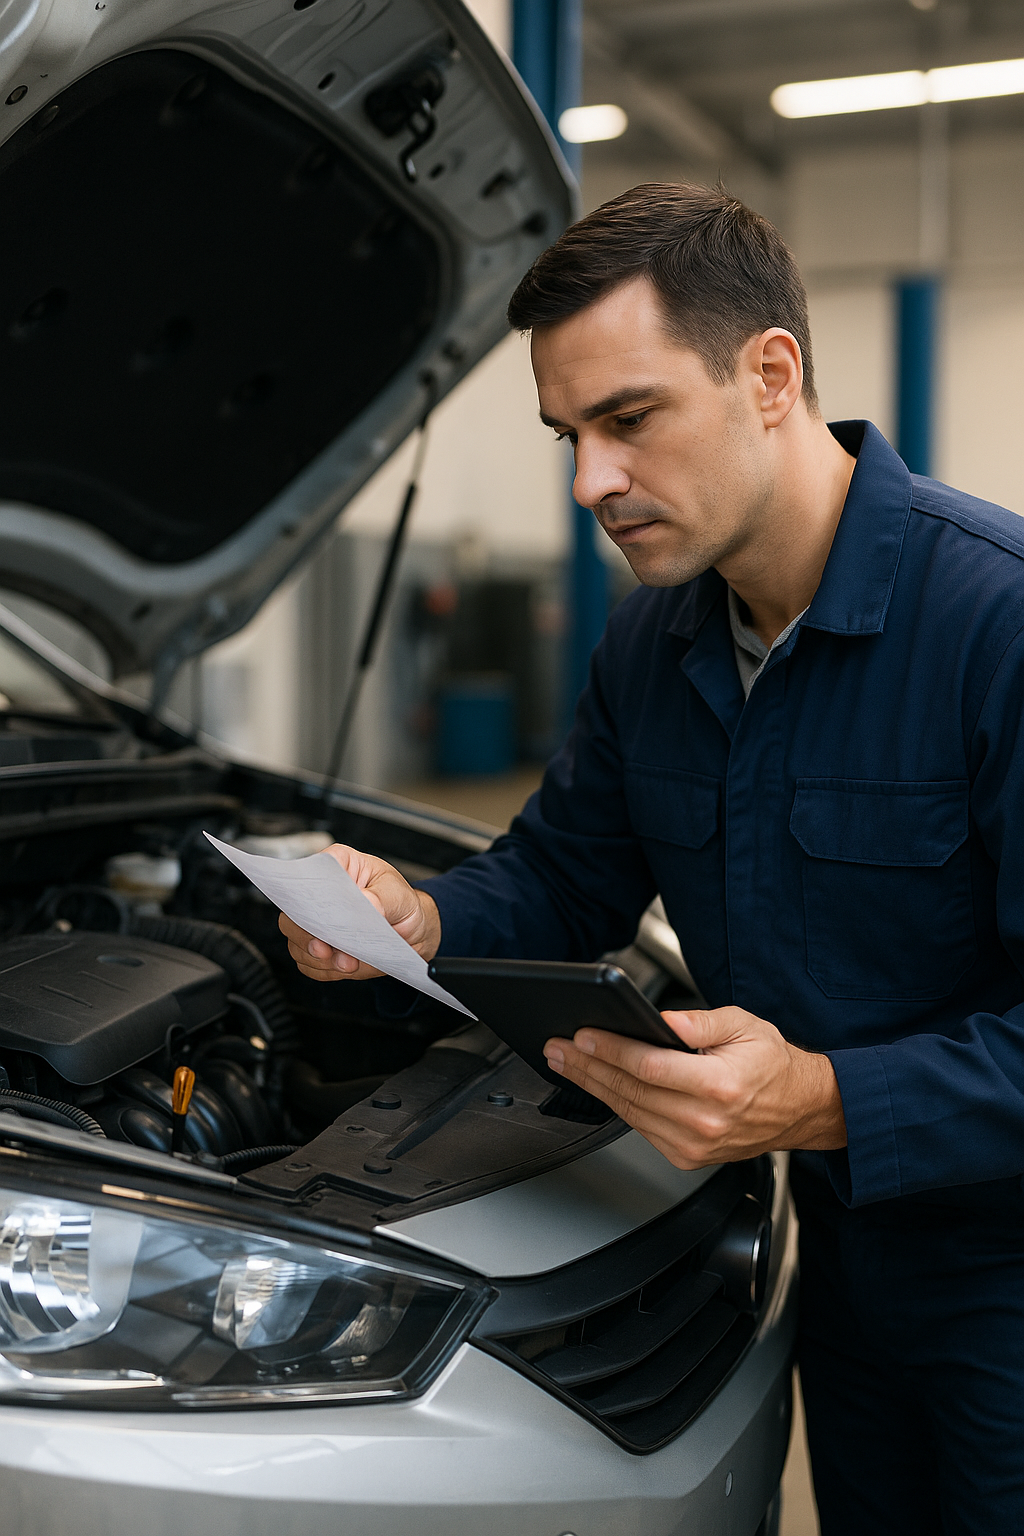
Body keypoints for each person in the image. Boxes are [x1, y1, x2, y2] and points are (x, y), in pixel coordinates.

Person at [281, 183, 1024, 1534]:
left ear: (770, 377)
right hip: (831, 1257)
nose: (590, 484)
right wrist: (420, 920)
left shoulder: (999, 628)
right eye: (570, 434)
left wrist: (823, 1098)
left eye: (629, 419)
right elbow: (564, 879)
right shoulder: (654, 640)